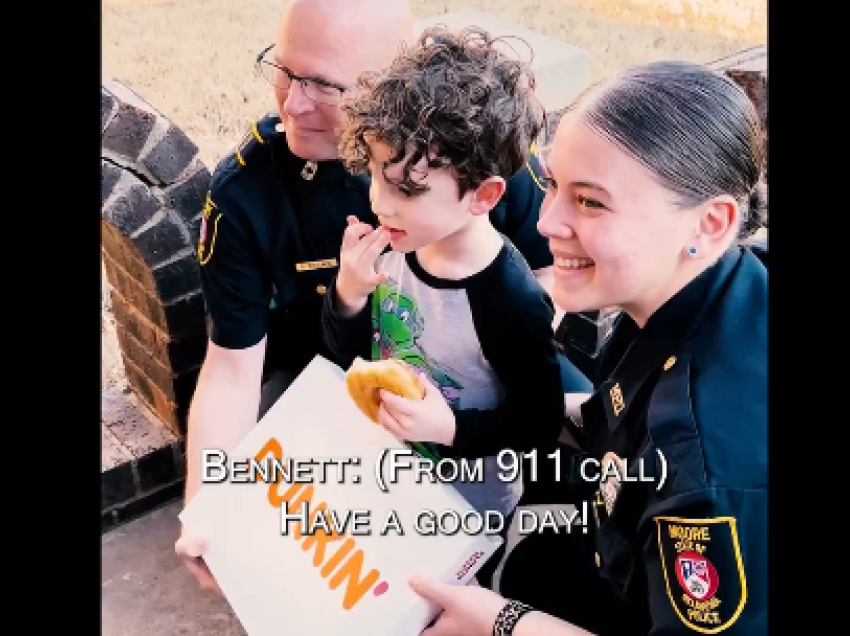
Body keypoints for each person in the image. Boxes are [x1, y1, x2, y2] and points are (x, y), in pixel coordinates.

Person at [174, 0, 564, 592]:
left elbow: (553, 273)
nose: (292, 103)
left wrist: (479, 342)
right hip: (328, 382)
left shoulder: (463, 143)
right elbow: (232, 370)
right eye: (285, 70)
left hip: (472, 406)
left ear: (393, 83)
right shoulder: (246, 194)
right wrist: (207, 509)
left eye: (325, 86)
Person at [408, 60, 767, 636]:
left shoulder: (707, 469)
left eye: (591, 202)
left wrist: (499, 625)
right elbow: (614, 414)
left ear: (710, 224)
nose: (547, 222)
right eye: (551, 185)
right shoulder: (686, 292)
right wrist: (459, 416)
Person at [321, 26, 566, 519]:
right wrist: (346, 296)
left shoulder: (509, 301)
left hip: (466, 503)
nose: (378, 203)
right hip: (389, 469)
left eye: (405, 189)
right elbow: (348, 356)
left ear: (485, 195)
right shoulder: (395, 246)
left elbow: (539, 420)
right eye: (374, 175)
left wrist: (450, 429)